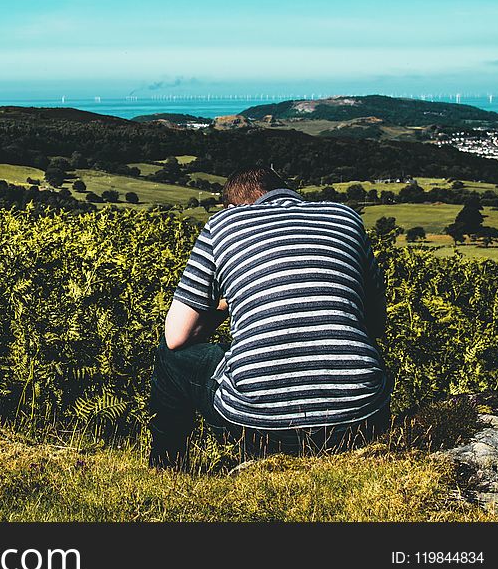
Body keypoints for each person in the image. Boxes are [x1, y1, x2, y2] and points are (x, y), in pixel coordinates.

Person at [148, 166, 391, 469]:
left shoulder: (223, 224)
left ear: (232, 206)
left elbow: (177, 336)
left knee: (169, 354)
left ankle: (166, 466)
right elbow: (377, 323)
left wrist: (224, 305)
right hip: (361, 419)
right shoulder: (344, 217)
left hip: (260, 427)